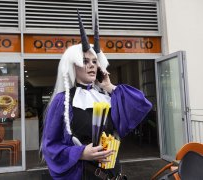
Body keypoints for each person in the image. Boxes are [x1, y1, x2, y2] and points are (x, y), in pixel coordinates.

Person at [41, 11, 152, 180]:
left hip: (113, 173)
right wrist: (81, 153)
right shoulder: (62, 101)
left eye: (94, 62)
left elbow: (141, 105)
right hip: (84, 175)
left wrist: (108, 85)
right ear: (74, 66)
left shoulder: (105, 96)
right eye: (85, 61)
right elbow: (50, 147)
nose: (91, 66)